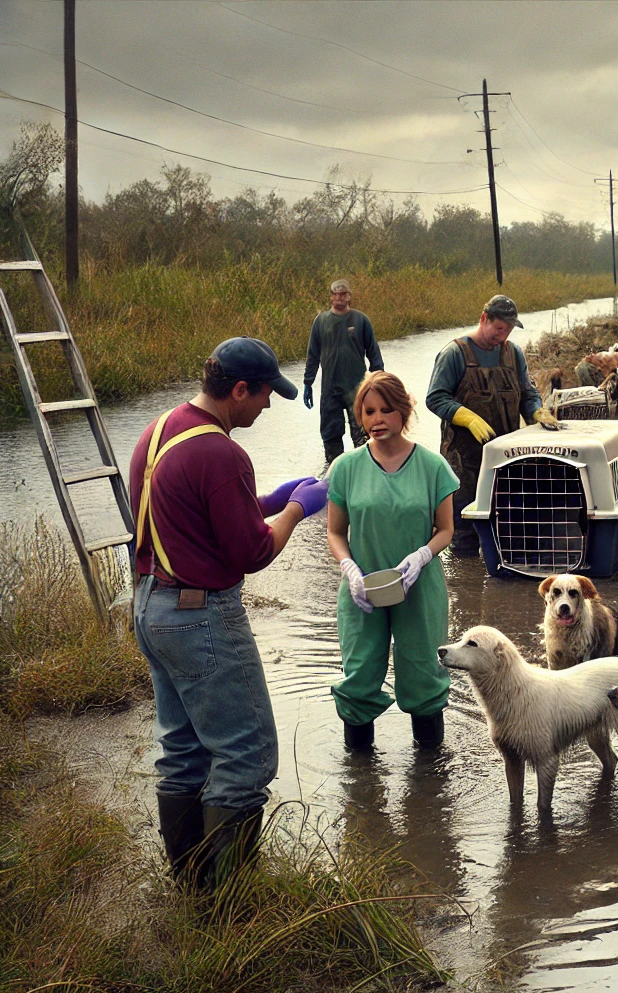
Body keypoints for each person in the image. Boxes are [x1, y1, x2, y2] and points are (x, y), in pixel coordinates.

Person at [131, 337, 330, 890]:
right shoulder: (222, 452)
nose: (267, 407)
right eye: (264, 395)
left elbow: (190, 515)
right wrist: (297, 509)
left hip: (151, 604)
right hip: (200, 615)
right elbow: (252, 553)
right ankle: (230, 907)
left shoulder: (160, 430)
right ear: (239, 389)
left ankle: (192, 888)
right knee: (247, 757)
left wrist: (264, 501)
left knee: (183, 751)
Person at [327, 371, 458, 752]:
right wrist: (350, 569)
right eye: (369, 412)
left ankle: (429, 785)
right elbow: (335, 532)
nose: (377, 419)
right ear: (359, 416)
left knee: (423, 676)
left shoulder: (432, 466)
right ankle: (361, 785)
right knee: (359, 677)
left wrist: (421, 557)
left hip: (419, 589)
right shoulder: (346, 468)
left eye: (387, 410)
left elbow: (445, 529)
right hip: (362, 590)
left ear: (404, 412)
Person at [425, 295, 559, 556]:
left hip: (505, 457)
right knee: (463, 532)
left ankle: (499, 581)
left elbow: (527, 392)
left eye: (509, 330)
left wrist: (536, 411)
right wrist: (467, 417)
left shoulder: (513, 353)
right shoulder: (455, 353)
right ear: (484, 319)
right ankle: (466, 589)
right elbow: (435, 398)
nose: (504, 335)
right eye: (500, 328)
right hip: (463, 461)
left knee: (508, 524)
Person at [303, 279, 382, 466]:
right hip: (330, 388)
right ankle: (334, 474)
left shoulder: (361, 320)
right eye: (336, 294)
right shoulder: (321, 322)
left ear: (349, 296)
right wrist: (308, 382)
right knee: (331, 434)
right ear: (331, 297)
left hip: (357, 388)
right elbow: (312, 354)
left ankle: (366, 470)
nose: (339, 297)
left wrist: (379, 383)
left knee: (362, 433)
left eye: (344, 294)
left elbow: (374, 353)